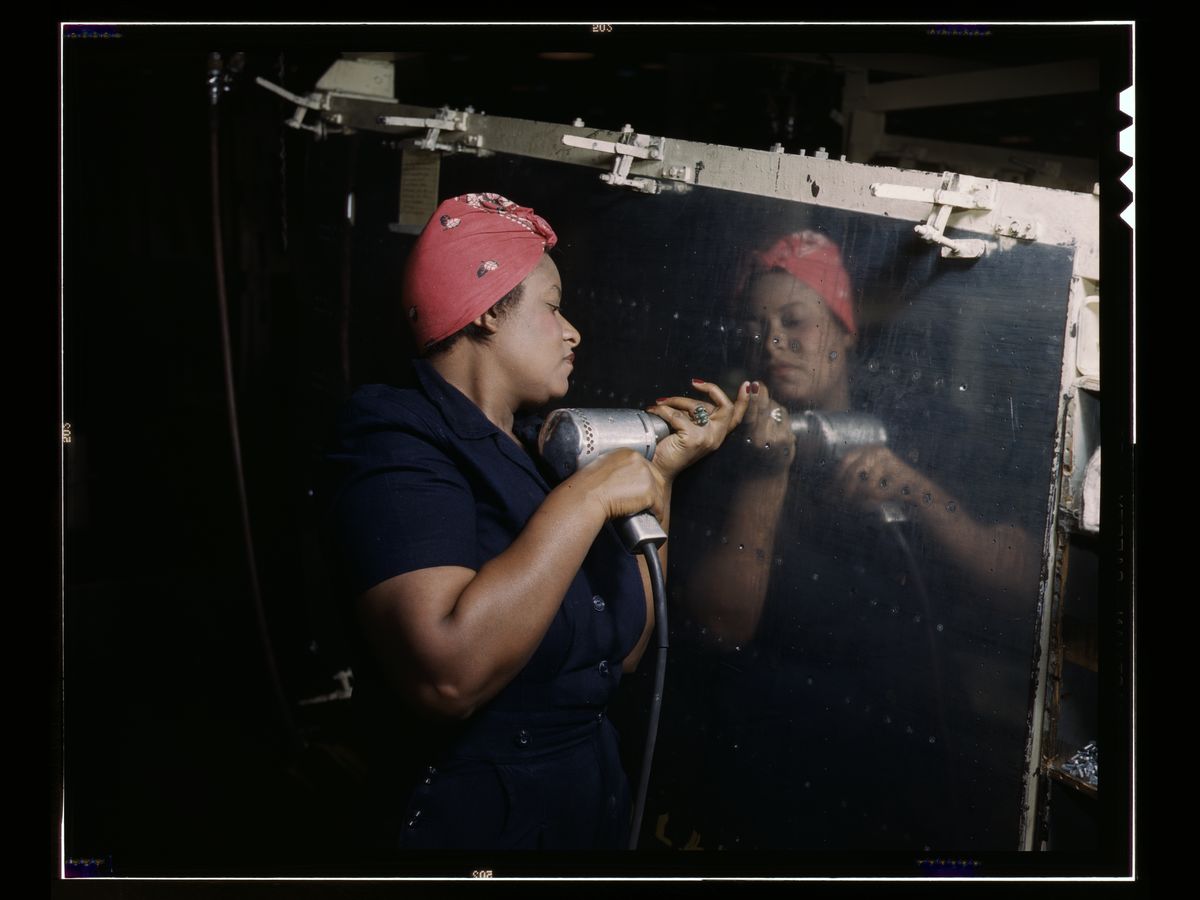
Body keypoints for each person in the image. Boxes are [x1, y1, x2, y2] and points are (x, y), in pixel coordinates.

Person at [320, 192, 748, 850]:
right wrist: (586, 499)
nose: (573, 330)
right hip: (475, 826)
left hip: (585, 802)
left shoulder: (534, 452)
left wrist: (658, 473)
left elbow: (627, 653)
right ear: (489, 309)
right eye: (552, 306)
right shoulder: (395, 437)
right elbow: (447, 675)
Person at [668, 230, 1040, 849]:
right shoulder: (724, 451)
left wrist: (918, 493)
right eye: (755, 325)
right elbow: (719, 624)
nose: (772, 342)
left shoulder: (922, 425)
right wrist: (766, 474)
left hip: (912, 762)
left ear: (845, 331)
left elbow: (1027, 584)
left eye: (796, 320)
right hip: (777, 772)